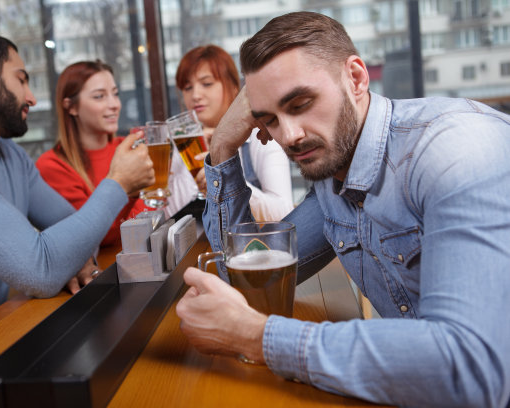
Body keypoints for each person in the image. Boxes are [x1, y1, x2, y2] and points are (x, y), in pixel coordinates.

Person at [176, 12, 510, 407]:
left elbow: (473, 372)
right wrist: (222, 151)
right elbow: (252, 275)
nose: (290, 136)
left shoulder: (455, 150)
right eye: (270, 120)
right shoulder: (332, 179)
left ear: (355, 78)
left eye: (300, 103)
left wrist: (257, 336)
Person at [0, 30, 154, 349]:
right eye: (21, 80)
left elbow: (75, 229)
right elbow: (41, 272)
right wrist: (118, 183)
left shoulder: (9, 154)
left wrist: (69, 256)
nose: (32, 97)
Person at [167, 45, 294, 221]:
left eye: (207, 84)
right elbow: (170, 216)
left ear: (234, 87)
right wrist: (189, 162)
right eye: (187, 88)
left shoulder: (260, 136)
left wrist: (228, 180)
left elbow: (284, 213)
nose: (195, 95)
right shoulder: (184, 143)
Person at [36, 60, 151, 247]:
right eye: (99, 96)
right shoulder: (53, 165)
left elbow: (154, 215)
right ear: (71, 107)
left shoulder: (127, 147)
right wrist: (129, 189)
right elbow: (93, 237)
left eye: (115, 94)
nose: (114, 104)